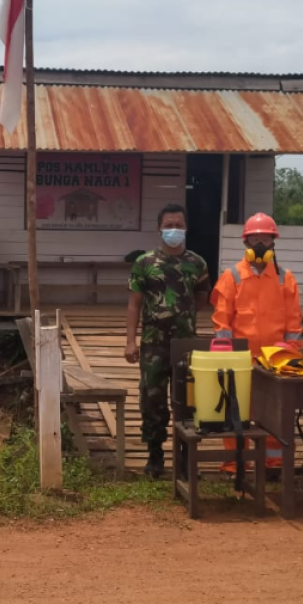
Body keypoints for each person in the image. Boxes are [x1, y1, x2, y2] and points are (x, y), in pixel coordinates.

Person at [211, 212, 303, 473]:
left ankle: (273, 464)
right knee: (236, 415)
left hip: (275, 363)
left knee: (274, 415)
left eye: (266, 239)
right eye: (255, 239)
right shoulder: (232, 276)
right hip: (241, 362)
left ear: (274, 243)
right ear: (246, 243)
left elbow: (294, 326)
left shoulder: (286, 279)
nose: (260, 244)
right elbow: (221, 322)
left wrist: (290, 358)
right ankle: (235, 464)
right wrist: (227, 356)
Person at [125, 203, 211, 478]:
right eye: (169, 225)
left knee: (188, 401)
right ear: (159, 228)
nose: (174, 229)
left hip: (186, 345)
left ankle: (186, 459)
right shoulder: (144, 263)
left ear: (186, 228)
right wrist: (130, 341)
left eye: (179, 224)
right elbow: (134, 305)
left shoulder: (197, 263)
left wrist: (182, 317)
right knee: (152, 399)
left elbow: (202, 298)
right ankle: (155, 456)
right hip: (153, 342)